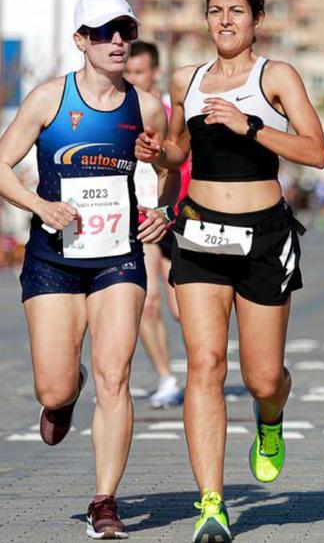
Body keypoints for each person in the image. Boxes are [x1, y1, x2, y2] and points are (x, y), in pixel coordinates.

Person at [135, 0, 324, 542]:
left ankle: (270, 419)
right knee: (207, 365)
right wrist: (158, 156)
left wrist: (251, 126)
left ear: (257, 20)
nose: (224, 20)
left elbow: (315, 151)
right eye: (216, 10)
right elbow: (178, 150)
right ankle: (212, 504)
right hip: (199, 233)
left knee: (263, 377)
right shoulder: (186, 81)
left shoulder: (277, 76)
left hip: (265, 235)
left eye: (237, 11)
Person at [0, 0, 170, 539]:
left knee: (117, 376)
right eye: (105, 32)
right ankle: (66, 392)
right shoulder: (49, 99)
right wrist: (39, 204)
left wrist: (162, 208)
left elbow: (169, 172)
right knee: (55, 389)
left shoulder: (147, 107)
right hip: (53, 257)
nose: (118, 41)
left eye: (125, 31)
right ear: (80, 41)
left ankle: (105, 500)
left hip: (119, 257)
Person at [125, 40, 185, 410]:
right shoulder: (117, 114)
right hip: (140, 217)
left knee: (182, 308)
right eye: (127, 72)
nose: (132, 78)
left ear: (155, 72)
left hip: (175, 216)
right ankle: (166, 377)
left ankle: (213, 365)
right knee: (147, 301)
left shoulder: (170, 115)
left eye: (139, 72)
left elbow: (183, 165)